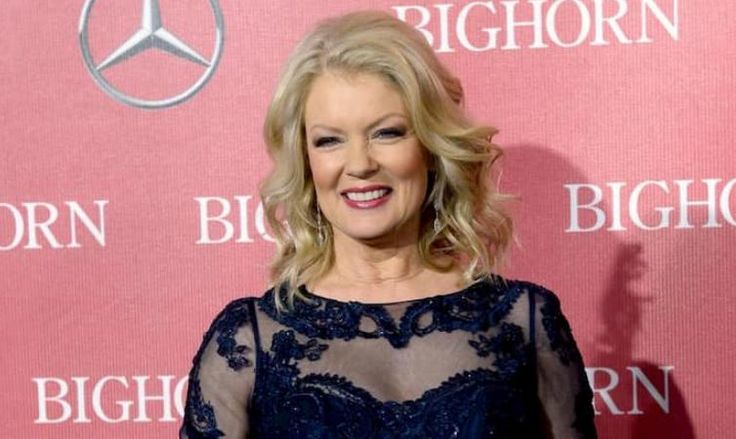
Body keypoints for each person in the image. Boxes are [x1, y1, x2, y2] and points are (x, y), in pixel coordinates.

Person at [179, 10, 597, 439]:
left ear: (432, 148)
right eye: (330, 140)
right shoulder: (251, 343)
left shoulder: (522, 323)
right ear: (305, 160)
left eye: (387, 133)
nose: (359, 164)